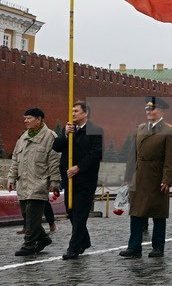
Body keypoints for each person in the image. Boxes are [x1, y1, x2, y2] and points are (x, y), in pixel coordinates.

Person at [120, 97, 172, 258]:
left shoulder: (168, 130)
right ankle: (134, 247)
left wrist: (167, 179)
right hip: (139, 176)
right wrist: (127, 176)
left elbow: (170, 157)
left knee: (158, 213)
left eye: (153, 109)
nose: (149, 112)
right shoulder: (140, 128)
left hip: (157, 176)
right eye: (147, 109)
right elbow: (133, 155)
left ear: (161, 112)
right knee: (136, 213)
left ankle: (158, 247)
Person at [53, 101, 103, 259]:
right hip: (69, 179)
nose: (73, 113)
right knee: (71, 212)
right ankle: (85, 240)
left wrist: (78, 167)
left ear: (85, 113)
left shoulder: (95, 131)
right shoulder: (69, 129)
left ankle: (73, 248)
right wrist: (65, 135)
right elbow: (57, 147)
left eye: (76, 111)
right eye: (72, 111)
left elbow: (96, 154)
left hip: (85, 180)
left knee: (80, 214)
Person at [8, 108, 61, 256]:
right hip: (23, 183)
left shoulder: (50, 137)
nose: (25, 121)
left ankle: (29, 245)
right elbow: (15, 160)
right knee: (27, 215)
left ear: (39, 119)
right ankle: (43, 238)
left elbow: (54, 161)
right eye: (25, 118)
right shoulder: (23, 138)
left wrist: (55, 181)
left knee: (32, 216)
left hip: (39, 182)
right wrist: (11, 178)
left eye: (29, 118)